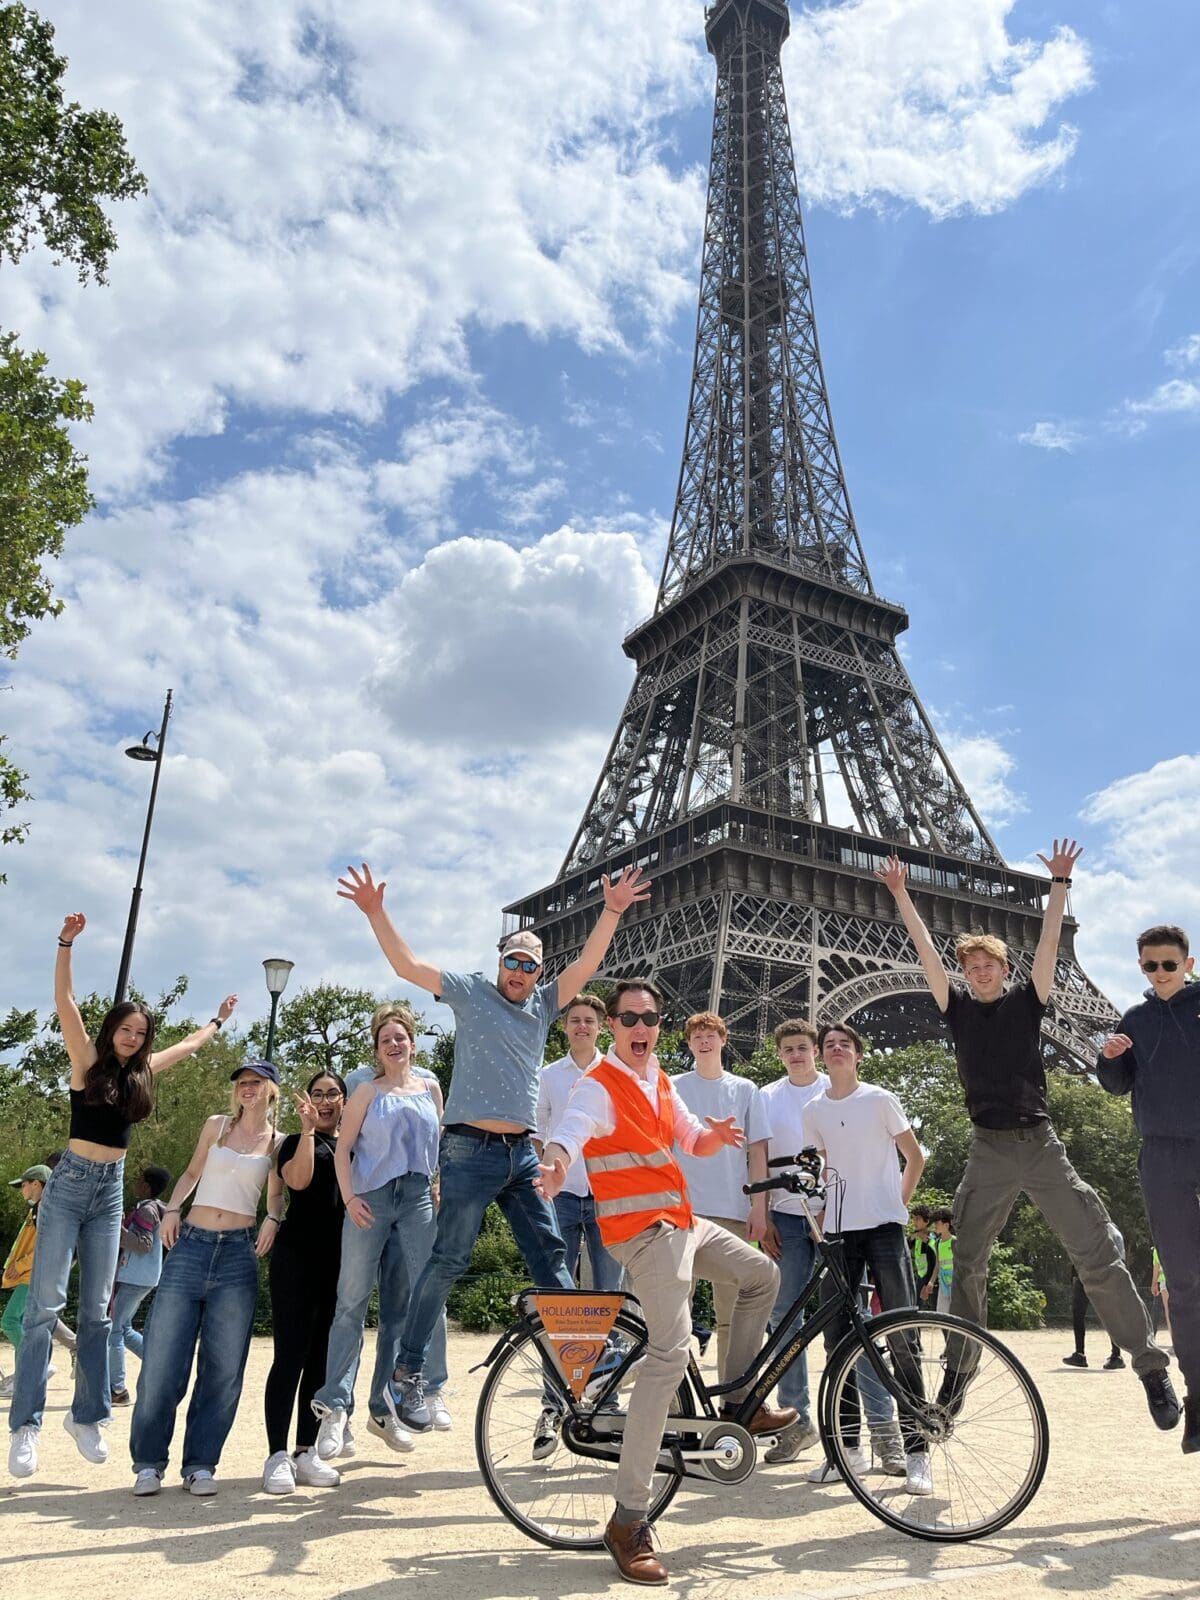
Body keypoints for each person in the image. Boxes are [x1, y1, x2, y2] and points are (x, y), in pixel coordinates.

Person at [336, 859, 650, 1430]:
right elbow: (408, 967)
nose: (520, 972)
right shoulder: (471, 994)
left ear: (537, 972)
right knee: (450, 1257)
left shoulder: (544, 1005)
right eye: (513, 962)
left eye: (530, 965)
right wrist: (376, 913)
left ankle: (585, 1358)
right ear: (499, 962)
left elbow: (587, 966)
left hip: (521, 1153)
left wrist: (610, 911)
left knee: (550, 1256)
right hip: (469, 1150)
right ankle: (408, 1372)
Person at [877, 847, 1178, 1432]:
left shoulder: (1028, 1001)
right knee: (965, 1260)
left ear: (1003, 968)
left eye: (988, 964)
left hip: (1039, 1144)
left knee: (1095, 1250)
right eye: (972, 966)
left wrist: (1059, 884)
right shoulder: (957, 1009)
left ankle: (1149, 1365)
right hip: (987, 1147)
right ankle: (959, 1378)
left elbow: (1047, 946)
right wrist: (901, 896)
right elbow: (923, 955)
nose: (980, 972)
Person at [537, 979, 792, 1587]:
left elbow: (690, 1139)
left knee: (762, 1274)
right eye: (628, 1018)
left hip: (681, 1223)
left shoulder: (659, 1081)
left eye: (650, 1017)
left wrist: (716, 1136)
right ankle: (629, 1519)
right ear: (613, 1026)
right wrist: (555, 1161)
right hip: (643, 1234)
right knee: (669, 1354)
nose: (639, 1026)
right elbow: (570, 1130)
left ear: (659, 1023)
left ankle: (737, 1404)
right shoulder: (596, 1087)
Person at [7, 914, 237, 1481]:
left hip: (111, 1192)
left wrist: (216, 1020)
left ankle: (87, 1417)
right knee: (45, 1308)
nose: (134, 1039)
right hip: (69, 1187)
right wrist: (65, 944)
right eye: (126, 1031)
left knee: (98, 1313)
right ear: (112, 1030)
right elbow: (64, 1001)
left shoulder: (143, 1073)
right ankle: (26, 1427)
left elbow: (188, 1045)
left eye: (141, 1034)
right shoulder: (86, 1063)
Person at [129, 1060, 284, 1496]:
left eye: (255, 1083)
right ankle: (148, 1462)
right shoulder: (215, 1126)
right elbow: (193, 1173)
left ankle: (200, 1463)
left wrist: (274, 1216)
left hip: (238, 1253)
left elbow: (275, 1194)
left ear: (272, 1090)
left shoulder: (278, 1142)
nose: (246, 1089)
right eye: (241, 1083)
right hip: (191, 1246)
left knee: (222, 1368)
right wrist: (173, 1210)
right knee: (161, 1361)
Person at [309, 1009, 449, 1463]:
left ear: (413, 1043)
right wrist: (350, 1199)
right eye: (385, 1038)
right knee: (351, 1302)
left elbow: (440, 1145)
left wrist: (438, 1186)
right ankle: (334, 1407)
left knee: (423, 1297)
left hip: (417, 1195)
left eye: (401, 1037)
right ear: (376, 1048)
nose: (394, 1044)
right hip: (371, 1196)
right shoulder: (366, 1090)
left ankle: (419, 1392)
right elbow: (343, 1149)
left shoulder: (430, 1087)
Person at [800, 1023, 929, 1495]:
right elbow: (818, 1168)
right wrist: (819, 1219)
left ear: (857, 1055)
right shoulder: (813, 1109)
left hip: (883, 1229)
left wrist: (896, 1203)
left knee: (902, 1336)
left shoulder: (879, 1099)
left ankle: (917, 1451)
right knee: (837, 1343)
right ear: (821, 1054)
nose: (836, 1050)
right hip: (837, 1231)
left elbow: (914, 1157)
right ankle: (845, 1450)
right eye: (829, 1045)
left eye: (844, 1045)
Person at [1097, 922, 1200, 1453]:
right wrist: (1109, 1059)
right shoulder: (1134, 1020)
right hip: (1161, 1155)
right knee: (1182, 1284)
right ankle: (1198, 1397)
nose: (1159, 973)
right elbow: (1117, 1086)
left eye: (1168, 963)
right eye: (1149, 965)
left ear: (1187, 962)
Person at [532, 992, 624, 1460]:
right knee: (559, 1307)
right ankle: (552, 1407)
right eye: (575, 1021)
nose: (582, 1027)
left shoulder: (615, 1073)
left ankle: (606, 1407)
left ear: (601, 1026)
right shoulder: (549, 1075)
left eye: (589, 1020)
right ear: (565, 1027)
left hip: (607, 1196)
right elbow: (540, 1129)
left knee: (611, 1305)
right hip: (563, 1197)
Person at [673, 1011, 771, 1386]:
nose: (703, 1040)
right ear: (689, 1042)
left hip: (731, 1210)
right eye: (696, 1034)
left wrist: (759, 1208)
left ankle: (735, 1396)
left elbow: (758, 1152)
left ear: (723, 1040)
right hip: (682, 1210)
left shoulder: (745, 1089)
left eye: (710, 1034)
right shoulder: (672, 1086)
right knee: (674, 1314)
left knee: (733, 1314)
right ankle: (680, 1398)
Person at [261, 1071, 348, 1495]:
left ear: (345, 1101)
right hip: (297, 1259)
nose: (325, 1100)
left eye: (333, 1093)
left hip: (339, 1263)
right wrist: (309, 1130)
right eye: (318, 1094)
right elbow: (297, 1182)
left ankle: (304, 1451)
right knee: (289, 1358)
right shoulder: (296, 1142)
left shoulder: (354, 1145)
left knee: (320, 1362)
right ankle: (276, 1455)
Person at [757, 1017, 827, 1465]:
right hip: (785, 1215)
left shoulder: (835, 1088)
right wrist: (762, 1216)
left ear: (815, 1050)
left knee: (852, 1316)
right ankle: (797, 1420)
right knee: (785, 1319)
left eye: (803, 1047)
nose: (796, 1055)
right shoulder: (766, 1097)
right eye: (789, 1050)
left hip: (834, 1213)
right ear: (781, 1054)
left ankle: (867, 1425)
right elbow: (758, 1157)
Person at [108, 1164, 172, 1404]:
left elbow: (143, 1244)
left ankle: (117, 1389)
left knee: (114, 1330)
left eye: (138, 1179)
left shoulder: (146, 1211)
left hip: (136, 1277)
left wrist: (116, 1228)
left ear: (146, 1186)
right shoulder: (153, 1208)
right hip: (142, 1277)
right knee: (123, 1328)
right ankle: (161, 1366)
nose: (134, 1182)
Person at [2, 1168, 54, 1397]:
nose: (21, 1189)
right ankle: (23, 1379)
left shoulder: (44, 1209)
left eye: (23, 1184)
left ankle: (37, 1366)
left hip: (32, 1276)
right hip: (29, 1275)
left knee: (9, 1320)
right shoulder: (36, 1209)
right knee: (21, 1324)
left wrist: (20, 1266)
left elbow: (47, 1248)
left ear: (37, 1184)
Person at [909, 1204, 938, 1311]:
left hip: (930, 1279)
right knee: (915, 1307)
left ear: (926, 1221)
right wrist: (915, 1236)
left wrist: (927, 1284)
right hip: (920, 1277)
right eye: (913, 1219)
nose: (914, 1222)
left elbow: (933, 1262)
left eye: (917, 1219)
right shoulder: (916, 1236)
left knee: (936, 1308)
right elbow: (906, 1245)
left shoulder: (930, 1238)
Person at [930, 1208, 954, 1315]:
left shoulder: (955, 1241)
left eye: (937, 1222)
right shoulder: (937, 1243)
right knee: (942, 1312)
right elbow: (937, 1264)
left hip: (955, 1283)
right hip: (943, 1281)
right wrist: (931, 1281)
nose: (935, 1225)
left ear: (946, 1225)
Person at [1152, 1248, 1172, 1345]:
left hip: (1164, 1281)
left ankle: (1175, 1340)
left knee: (1169, 1313)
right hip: (1178, 1281)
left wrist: (1153, 1283)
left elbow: (1157, 1267)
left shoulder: (1158, 1249)